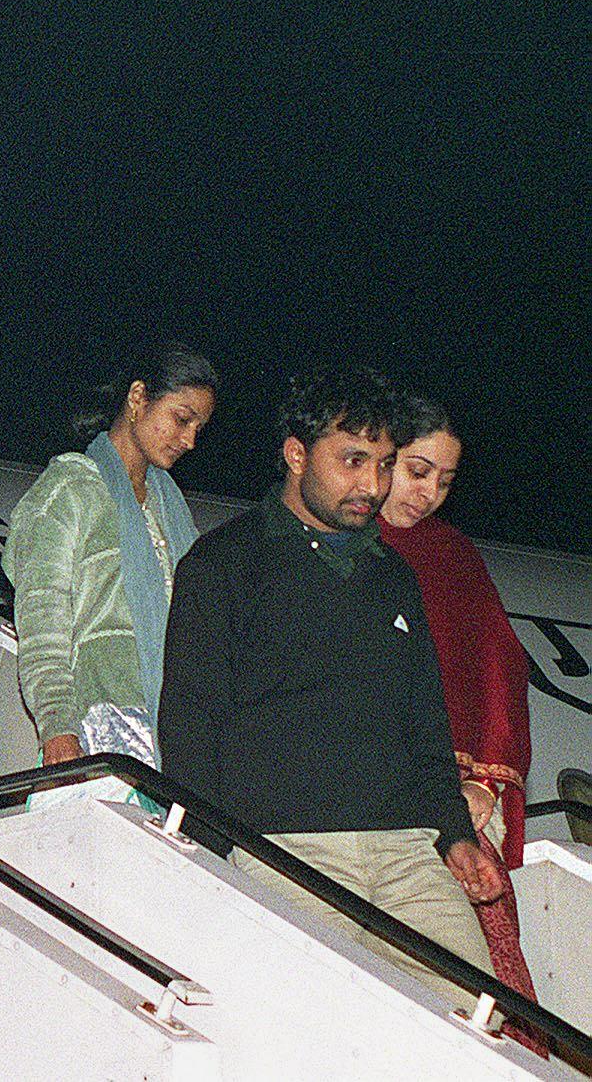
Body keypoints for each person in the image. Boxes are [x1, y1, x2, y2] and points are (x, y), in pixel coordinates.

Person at [158, 369, 504, 1015]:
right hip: (286, 852)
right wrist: (209, 857)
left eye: (382, 464)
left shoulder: (392, 573)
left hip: (409, 852)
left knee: (472, 1028)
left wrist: (455, 835)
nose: (371, 486)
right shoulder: (224, 562)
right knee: (312, 1029)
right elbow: (190, 720)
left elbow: (426, 721)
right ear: (296, 453)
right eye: (352, 461)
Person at [377, 394, 543, 1045]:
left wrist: (484, 783)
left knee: (481, 981)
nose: (430, 494)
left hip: (458, 802)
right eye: (419, 471)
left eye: (445, 481)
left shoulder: (454, 557)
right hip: (363, 804)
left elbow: (501, 668)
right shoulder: (331, 545)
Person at [3, 345, 216, 801]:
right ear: (138, 398)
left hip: (167, 742)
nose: (190, 440)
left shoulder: (168, 506)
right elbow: (43, 623)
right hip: (96, 736)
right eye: (182, 419)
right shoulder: (71, 489)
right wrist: (58, 727)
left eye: (200, 427)